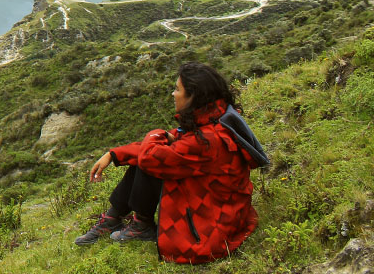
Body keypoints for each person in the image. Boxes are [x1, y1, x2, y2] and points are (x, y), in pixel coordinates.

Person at [74, 62, 260, 263]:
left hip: (208, 233)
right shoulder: (217, 120)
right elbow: (168, 143)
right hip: (223, 214)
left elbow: (151, 154)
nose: (173, 94)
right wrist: (114, 154)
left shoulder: (206, 140)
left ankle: (139, 225)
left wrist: (156, 134)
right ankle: (116, 219)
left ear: (194, 96)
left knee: (152, 159)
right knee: (154, 155)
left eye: (178, 89)